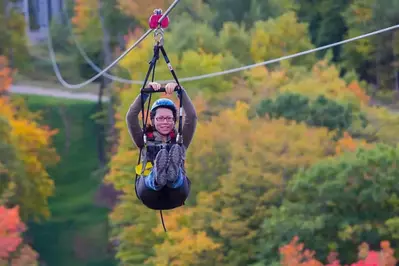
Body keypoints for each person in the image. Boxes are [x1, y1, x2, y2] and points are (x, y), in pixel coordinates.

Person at [126, 82, 197, 210]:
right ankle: (157, 177)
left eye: (169, 119)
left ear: (174, 120)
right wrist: (145, 94)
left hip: (176, 194)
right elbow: (131, 117)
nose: (165, 122)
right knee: (153, 177)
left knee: (176, 156)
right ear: (153, 120)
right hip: (149, 192)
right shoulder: (143, 139)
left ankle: (173, 175)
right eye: (161, 118)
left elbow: (191, 117)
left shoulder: (180, 139)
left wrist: (181, 92)